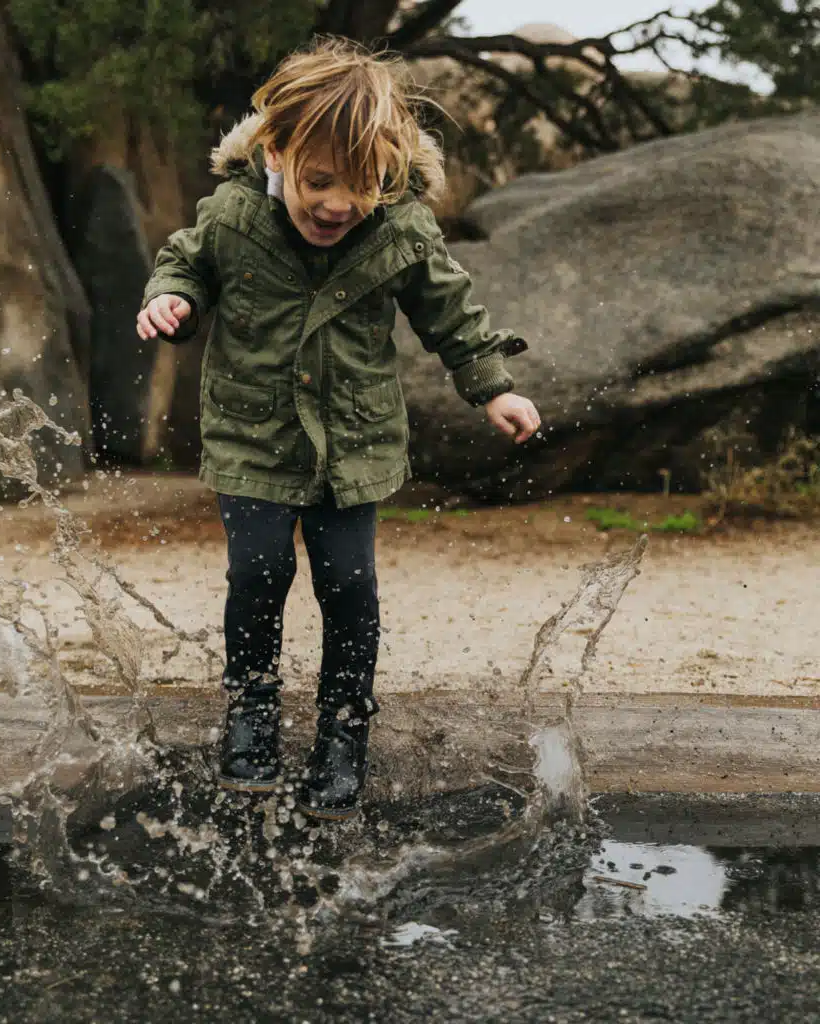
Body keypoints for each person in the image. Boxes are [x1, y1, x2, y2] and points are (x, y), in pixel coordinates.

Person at [137, 37, 540, 821]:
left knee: (348, 587)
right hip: (254, 434)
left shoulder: (401, 229)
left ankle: (343, 733)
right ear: (279, 149)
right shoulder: (232, 216)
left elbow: (450, 313)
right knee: (258, 574)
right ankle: (250, 714)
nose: (338, 205)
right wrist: (172, 301)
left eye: (361, 185)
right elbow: (183, 262)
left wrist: (493, 386)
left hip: (353, 442)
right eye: (320, 182)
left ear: (387, 169)